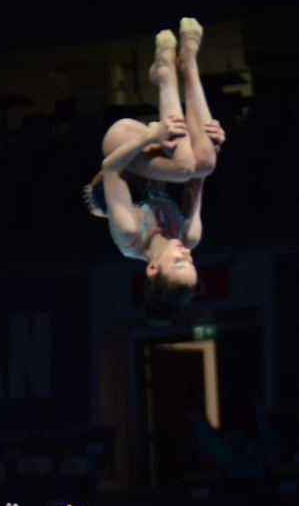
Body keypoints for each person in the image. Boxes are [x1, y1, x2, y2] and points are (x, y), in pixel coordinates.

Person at [84, 18, 226, 324]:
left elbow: (110, 168)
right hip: (164, 157)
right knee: (202, 163)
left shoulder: (130, 236)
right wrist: (213, 140)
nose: (185, 253)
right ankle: (188, 65)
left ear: (152, 269)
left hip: (123, 146)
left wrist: (149, 137)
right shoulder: (189, 237)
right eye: (190, 261)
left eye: (178, 262)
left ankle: (165, 75)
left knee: (185, 165)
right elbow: (199, 175)